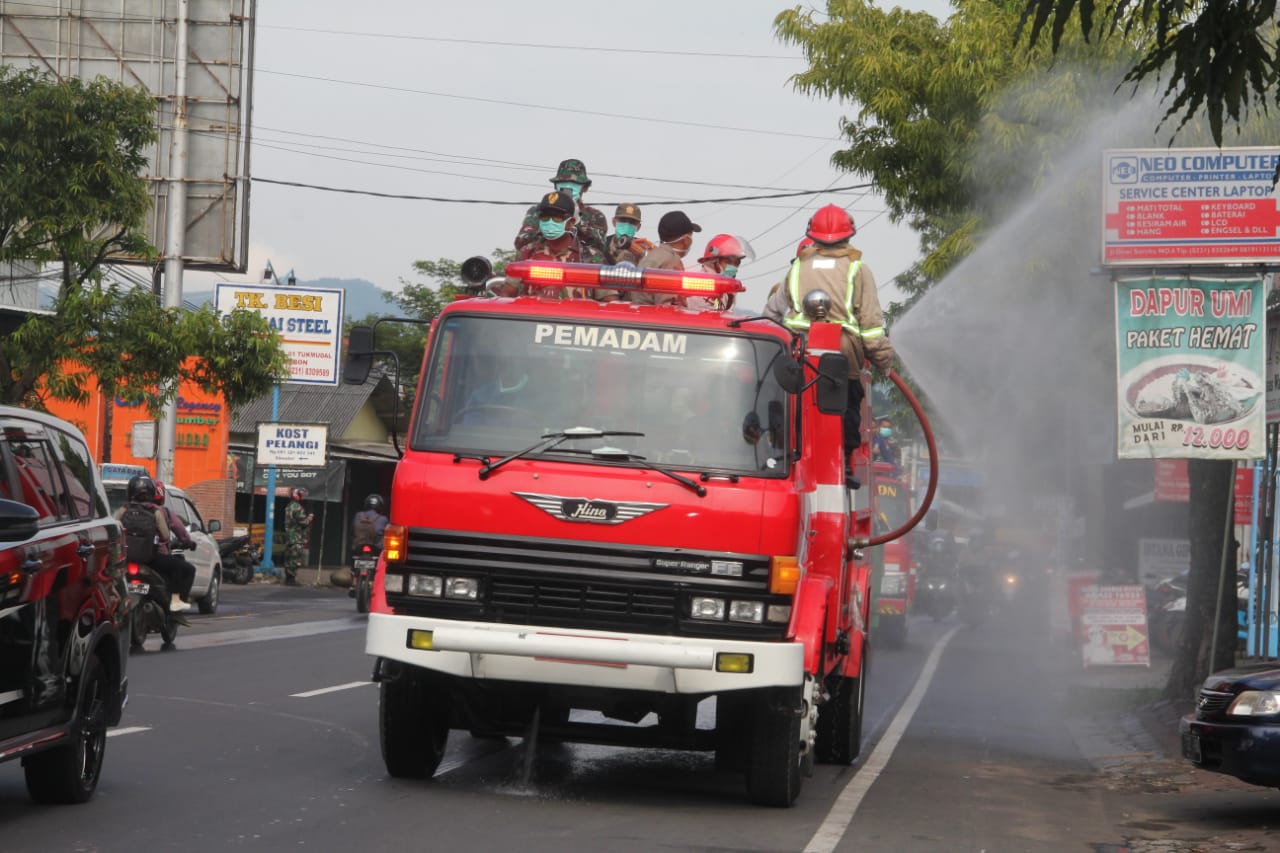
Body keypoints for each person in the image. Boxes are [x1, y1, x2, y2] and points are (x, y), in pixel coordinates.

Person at [763, 204, 894, 466]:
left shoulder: (799, 267)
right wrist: (884, 362)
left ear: (813, 234)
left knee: (793, 410)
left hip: (798, 353)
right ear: (849, 234)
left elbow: (771, 314)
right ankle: (842, 465)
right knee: (845, 410)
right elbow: (870, 326)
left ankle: (787, 456)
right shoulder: (858, 269)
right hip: (841, 357)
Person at [499, 191, 605, 297]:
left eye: (557, 218)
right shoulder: (526, 254)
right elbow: (507, 295)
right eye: (545, 217)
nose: (550, 222)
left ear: (571, 222)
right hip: (533, 313)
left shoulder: (592, 257)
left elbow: (609, 302)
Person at [115, 475, 188, 612]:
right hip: (151, 558)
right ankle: (175, 603)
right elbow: (165, 536)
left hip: (125, 557)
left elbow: (115, 528)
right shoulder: (156, 511)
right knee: (180, 568)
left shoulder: (123, 509)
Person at [514, 158, 607, 260]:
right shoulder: (538, 211)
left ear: (584, 187)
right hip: (542, 261)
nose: (567, 186)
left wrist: (575, 223)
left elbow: (601, 247)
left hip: (578, 264)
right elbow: (520, 243)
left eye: (573, 182)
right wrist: (549, 225)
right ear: (556, 185)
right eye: (562, 182)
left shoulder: (595, 216)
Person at [632, 211, 702, 305]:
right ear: (686, 240)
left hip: (639, 316)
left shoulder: (649, 256)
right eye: (691, 236)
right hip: (655, 318)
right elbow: (667, 308)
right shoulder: (672, 261)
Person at [151, 481, 198, 612]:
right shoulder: (163, 512)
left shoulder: (125, 509)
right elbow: (176, 533)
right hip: (157, 557)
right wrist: (188, 542)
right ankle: (177, 602)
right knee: (188, 570)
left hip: (129, 557)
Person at [695, 234, 750, 310]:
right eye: (728, 261)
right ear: (713, 261)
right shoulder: (700, 283)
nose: (733, 267)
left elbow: (719, 310)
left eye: (737, 262)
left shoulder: (724, 286)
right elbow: (712, 313)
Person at [283, 487, 314, 586]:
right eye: (300, 495)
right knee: (295, 558)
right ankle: (291, 579)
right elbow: (304, 522)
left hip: (289, 536)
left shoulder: (289, 506)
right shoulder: (296, 507)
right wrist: (309, 518)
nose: (302, 497)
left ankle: (288, 578)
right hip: (296, 537)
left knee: (289, 557)